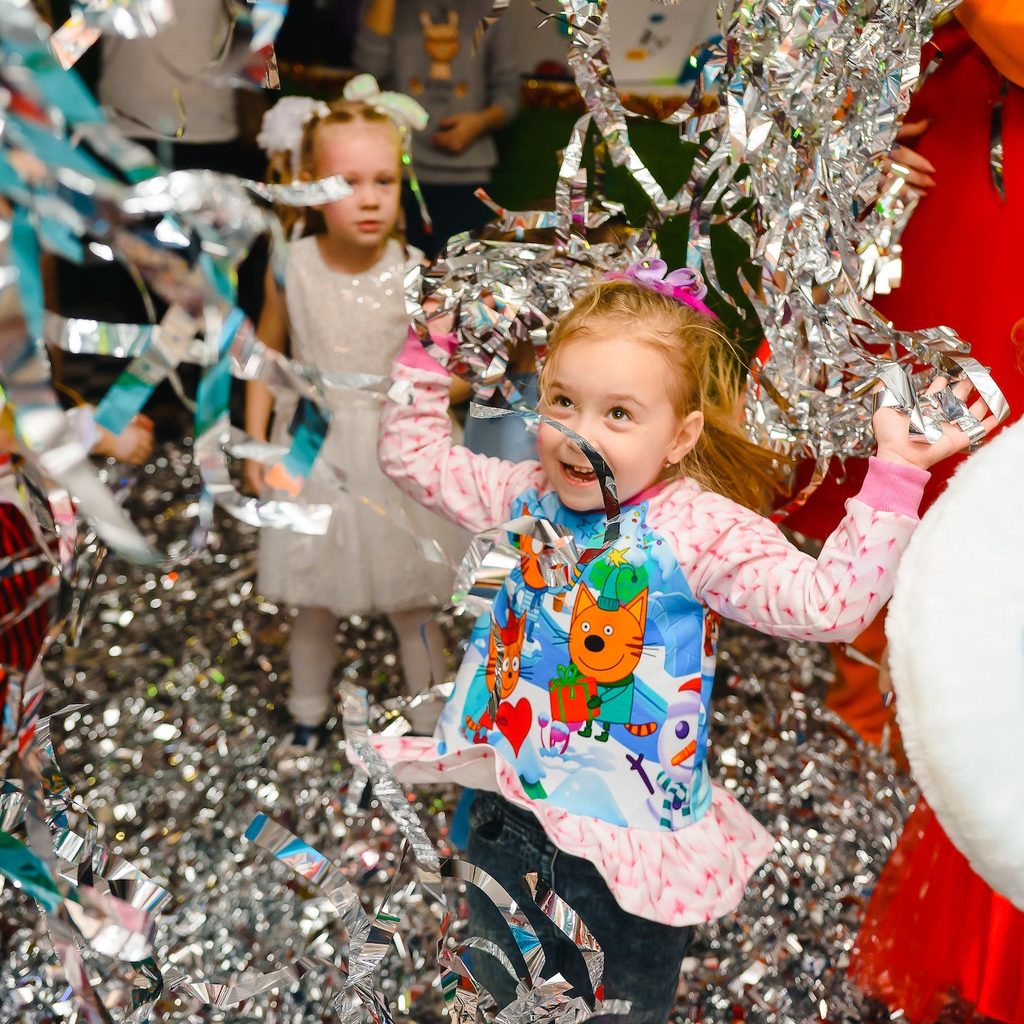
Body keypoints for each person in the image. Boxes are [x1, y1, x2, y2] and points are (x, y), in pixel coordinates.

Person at [372, 260, 998, 1020]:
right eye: (562, 400)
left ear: (681, 437)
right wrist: (428, 351)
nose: (579, 433)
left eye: (620, 414)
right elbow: (412, 457)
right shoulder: (523, 496)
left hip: (624, 862)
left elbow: (827, 605)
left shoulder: (695, 531)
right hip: (508, 824)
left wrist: (895, 475)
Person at [245, 91, 454, 755]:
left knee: (414, 600)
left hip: (394, 449)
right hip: (313, 443)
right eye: (346, 183)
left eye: (384, 181)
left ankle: (433, 728)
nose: (369, 199)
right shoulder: (292, 267)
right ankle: (307, 714)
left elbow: (440, 372)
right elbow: (267, 357)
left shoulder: (415, 275)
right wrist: (255, 442)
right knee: (311, 594)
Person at [353, 0, 520, 257]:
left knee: (460, 281)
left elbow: (508, 93)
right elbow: (367, 72)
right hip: (398, 175)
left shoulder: (491, 7)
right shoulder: (386, 7)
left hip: (467, 178)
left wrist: (480, 122)